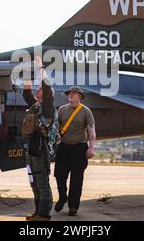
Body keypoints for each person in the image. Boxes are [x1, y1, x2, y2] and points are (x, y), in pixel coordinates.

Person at [54, 86, 96, 216]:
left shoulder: (86, 111)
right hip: (64, 147)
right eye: (69, 93)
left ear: (80, 96)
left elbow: (91, 131)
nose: (70, 95)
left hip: (79, 148)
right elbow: (56, 127)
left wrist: (91, 147)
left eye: (73, 93)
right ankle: (62, 197)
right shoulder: (62, 110)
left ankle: (73, 207)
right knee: (59, 176)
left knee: (76, 179)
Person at [22, 56, 55, 221]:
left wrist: (40, 67)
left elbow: (47, 87)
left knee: (42, 182)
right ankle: (37, 212)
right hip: (31, 147)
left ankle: (44, 214)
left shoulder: (47, 107)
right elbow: (26, 92)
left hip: (41, 148)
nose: (38, 89)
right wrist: (28, 70)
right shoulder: (35, 106)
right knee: (33, 181)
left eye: (40, 89)